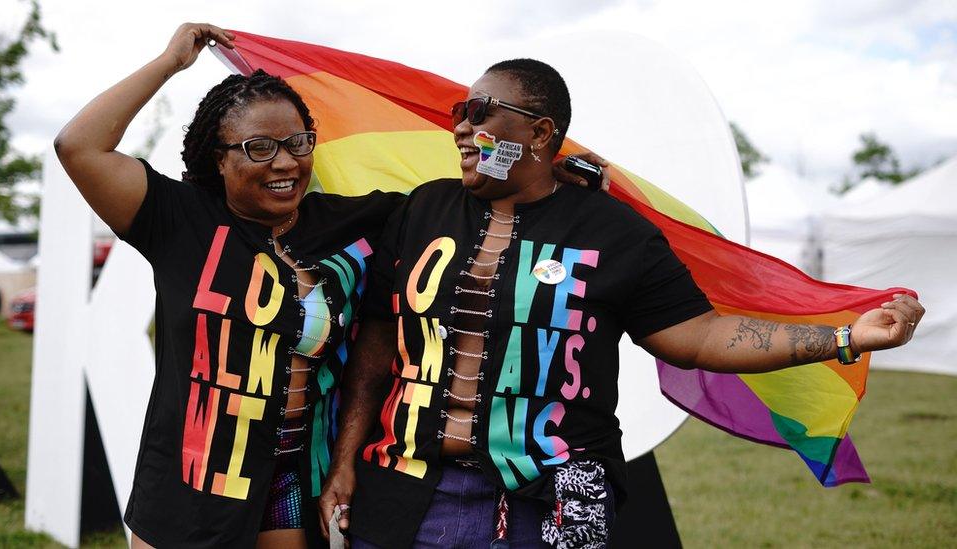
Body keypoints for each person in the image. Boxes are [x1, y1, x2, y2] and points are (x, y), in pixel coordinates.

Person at [318, 58, 925, 548]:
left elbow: (701, 335)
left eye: (478, 112)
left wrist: (846, 338)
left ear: (539, 132)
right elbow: (374, 349)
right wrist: (345, 460)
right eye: (458, 111)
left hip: (558, 495)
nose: (458, 126)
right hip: (406, 489)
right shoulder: (424, 208)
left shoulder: (613, 231)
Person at [54, 24, 407, 548]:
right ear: (219, 159)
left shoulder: (354, 220)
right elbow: (78, 145)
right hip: (189, 482)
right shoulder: (178, 220)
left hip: (290, 478)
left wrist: (564, 180)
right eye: (259, 147)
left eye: (297, 143)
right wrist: (168, 63)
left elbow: (463, 202)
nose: (285, 162)